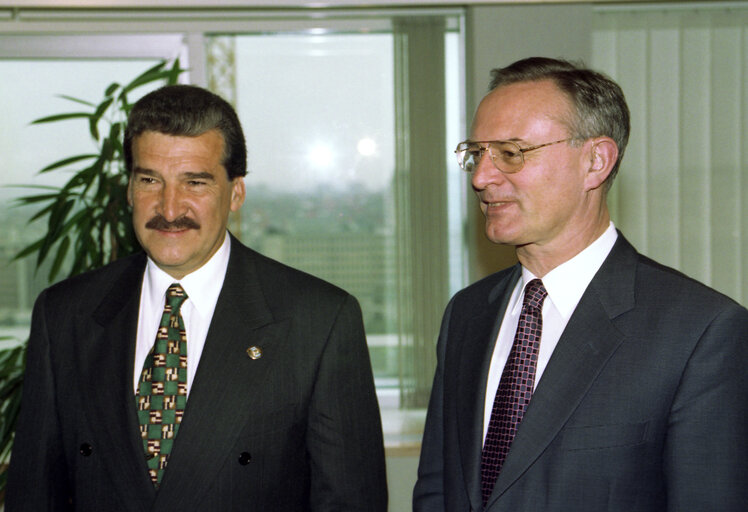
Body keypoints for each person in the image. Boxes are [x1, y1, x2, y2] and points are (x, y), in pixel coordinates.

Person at [6, 84, 387, 511]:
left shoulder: (318, 322)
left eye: (195, 182)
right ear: (130, 189)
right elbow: (33, 496)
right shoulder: (64, 315)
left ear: (236, 193)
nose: (169, 208)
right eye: (150, 179)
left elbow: (351, 502)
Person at [413, 57, 748, 511]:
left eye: (511, 153)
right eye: (476, 154)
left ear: (596, 161)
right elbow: (438, 488)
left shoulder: (701, 332)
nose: (481, 177)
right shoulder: (468, 312)